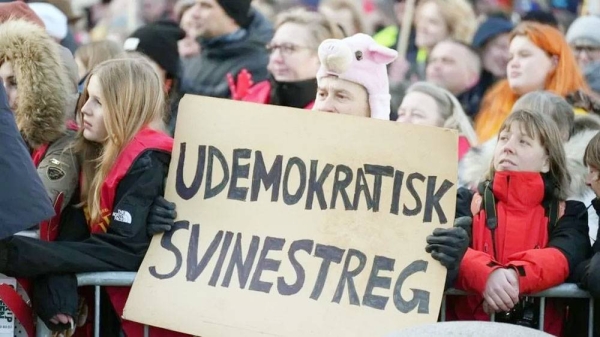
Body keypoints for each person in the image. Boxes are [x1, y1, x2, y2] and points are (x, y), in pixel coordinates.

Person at [0, 58, 181, 337]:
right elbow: (77, 231)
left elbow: (124, 251)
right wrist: (56, 286)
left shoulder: (150, 160)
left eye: (97, 101)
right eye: (86, 97)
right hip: (115, 314)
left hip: (150, 322)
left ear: (125, 107)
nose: (84, 109)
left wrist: (23, 255)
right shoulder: (97, 155)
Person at [447, 109, 590, 335]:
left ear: (546, 162)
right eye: (503, 138)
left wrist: (513, 277)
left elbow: (564, 256)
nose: (508, 146)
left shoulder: (569, 212)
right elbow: (446, 248)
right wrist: (487, 274)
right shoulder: (465, 201)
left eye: (523, 142)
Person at [475, 22, 589, 142]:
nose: (513, 63)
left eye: (524, 55)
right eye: (510, 57)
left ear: (554, 62)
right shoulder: (494, 103)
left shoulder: (576, 119)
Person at [232, 8, 343, 110]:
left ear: (321, 58)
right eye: (273, 47)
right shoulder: (254, 95)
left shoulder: (333, 109)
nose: (276, 58)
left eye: (289, 49)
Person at [180, 0, 273, 98]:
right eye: (194, 4)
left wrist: (178, 82)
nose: (194, 13)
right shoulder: (197, 54)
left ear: (232, 17)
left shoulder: (257, 65)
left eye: (206, 6)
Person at [124, 20, 186, 134]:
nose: (130, 71)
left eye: (141, 63)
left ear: (166, 74)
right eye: (125, 62)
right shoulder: (115, 105)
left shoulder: (185, 118)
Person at [396, 81, 478, 160]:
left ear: (445, 124)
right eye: (401, 114)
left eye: (417, 115)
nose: (404, 121)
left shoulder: (462, 168)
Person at [425, 40, 483, 116]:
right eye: (432, 60)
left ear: (471, 78)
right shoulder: (410, 102)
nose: (436, 66)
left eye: (447, 61)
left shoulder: (481, 118)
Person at [471, 16, 513, 101]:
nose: (507, 56)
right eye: (502, 47)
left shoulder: (515, 91)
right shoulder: (463, 86)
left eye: (512, 49)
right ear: (482, 47)